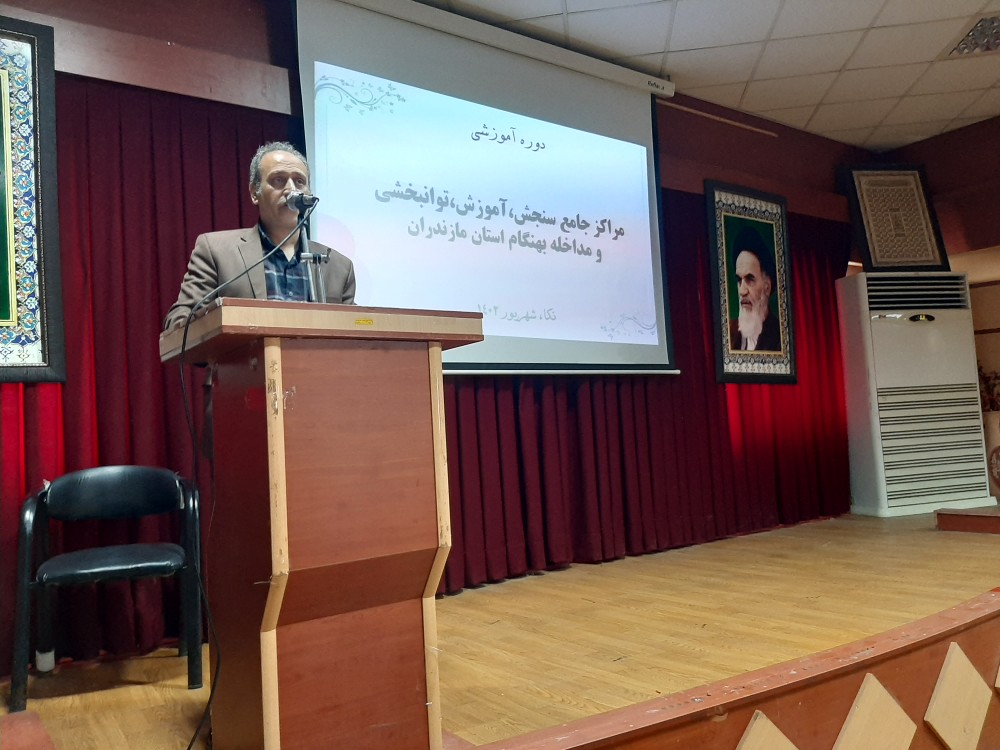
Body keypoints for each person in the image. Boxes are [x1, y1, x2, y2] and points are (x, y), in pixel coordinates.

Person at [163, 141, 355, 330]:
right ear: (255, 193)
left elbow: (357, 334)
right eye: (278, 180)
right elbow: (179, 323)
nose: (291, 190)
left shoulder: (339, 267)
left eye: (299, 181)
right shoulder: (216, 252)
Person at [728, 226, 781, 352]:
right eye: (739, 280)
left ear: (767, 287)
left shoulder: (779, 337)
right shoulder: (731, 332)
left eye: (750, 279)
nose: (742, 291)